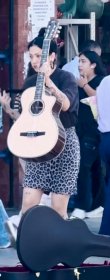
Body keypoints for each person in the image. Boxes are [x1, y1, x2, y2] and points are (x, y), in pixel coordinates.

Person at [1, 35, 80, 241]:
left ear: (51, 56)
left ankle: (57, 247)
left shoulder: (66, 78)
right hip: (38, 146)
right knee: (28, 202)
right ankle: (28, 249)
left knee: (58, 208)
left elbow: (66, 105)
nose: (35, 61)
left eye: (39, 56)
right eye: (31, 56)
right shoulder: (29, 83)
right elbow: (27, 117)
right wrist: (9, 110)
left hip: (64, 144)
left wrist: (48, 81)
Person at [70, 50, 106, 220]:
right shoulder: (77, 83)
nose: (80, 65)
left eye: (83, 61)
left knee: (83, 167)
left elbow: (101, 99)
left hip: (94, 131)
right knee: (94, 168)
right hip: (79, 130)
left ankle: (81, 206)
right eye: (79, 61)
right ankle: (97, 205)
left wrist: (84, 85)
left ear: (93, 64)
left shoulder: (101, 82)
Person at [96, 72, 110, 236]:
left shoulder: (104, 81)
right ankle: (109, 231)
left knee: (109, 185)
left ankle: (106, 229)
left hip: (104, 138)